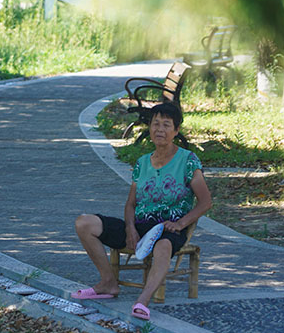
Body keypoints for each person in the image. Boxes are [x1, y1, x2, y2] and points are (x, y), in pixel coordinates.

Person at [72, 102, 212, 321]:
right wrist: (130, 228)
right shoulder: (142, 163)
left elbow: (205, 202)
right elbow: (131, 204)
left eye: (167, 125)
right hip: (139, 227)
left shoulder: (188, 160)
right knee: (84, 223)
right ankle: (108, 283)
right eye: (156, 123)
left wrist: (181, 224)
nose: (160, 129)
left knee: (163, 245)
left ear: (176, 131)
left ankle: (143, 300)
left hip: (169, 229)